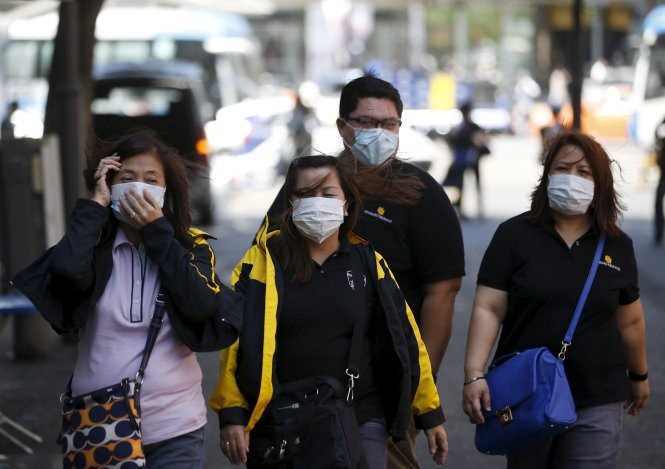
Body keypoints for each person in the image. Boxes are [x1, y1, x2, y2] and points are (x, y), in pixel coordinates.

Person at [261, 73, 465, 469]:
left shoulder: (422, 195)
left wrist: (420, 387)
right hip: (303, 387)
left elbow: (444, 292)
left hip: (385, 390)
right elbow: (266, 267)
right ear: (342, 127)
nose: (379, 132)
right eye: (367, 122)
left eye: (389, 124)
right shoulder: (309, 185)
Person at [11, 128, 242, 467]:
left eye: (151, 179)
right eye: (127, 177)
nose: (138, 186)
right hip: (98, 424)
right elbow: (64, 274)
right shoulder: (93, 245)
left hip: (176, 427)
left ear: (166, 191)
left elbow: (201, 304)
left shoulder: (190, 248)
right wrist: (95, 202)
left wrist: (157, 233)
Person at [209, 154, 448, 468]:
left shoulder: (368, 261)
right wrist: (232, 414)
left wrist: (429, 414)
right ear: (290, 203)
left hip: (361, 415)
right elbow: (234, 343)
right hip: (283, 422)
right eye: (305, 194)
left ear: (346, 204)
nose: (317, 202)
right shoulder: (262, 262)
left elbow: (406, 339)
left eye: (328, 194)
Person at [462, 130, 649, 468]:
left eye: (584, 172)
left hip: (597, 395)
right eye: (562, 169)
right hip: (526, 393)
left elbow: (631, 320)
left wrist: (638, 376)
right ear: (547, 174)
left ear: (600, 185)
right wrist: (474, 373)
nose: (571, 179)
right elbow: (488, 308)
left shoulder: (617, 245)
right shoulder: (513, 235)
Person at [442, 101, 490, 219]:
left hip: (467, 160)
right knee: (462, 185)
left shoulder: (463, 128)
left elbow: (450, 141)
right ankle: (468, 210)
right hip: (467, 161)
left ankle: (476, 210)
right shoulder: (465, 128)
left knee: (464, 185)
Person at [654, 117, 665, 245]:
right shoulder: (662, 141)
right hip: (663, 178)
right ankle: (658, 232)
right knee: (658, 204)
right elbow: (656, 132)